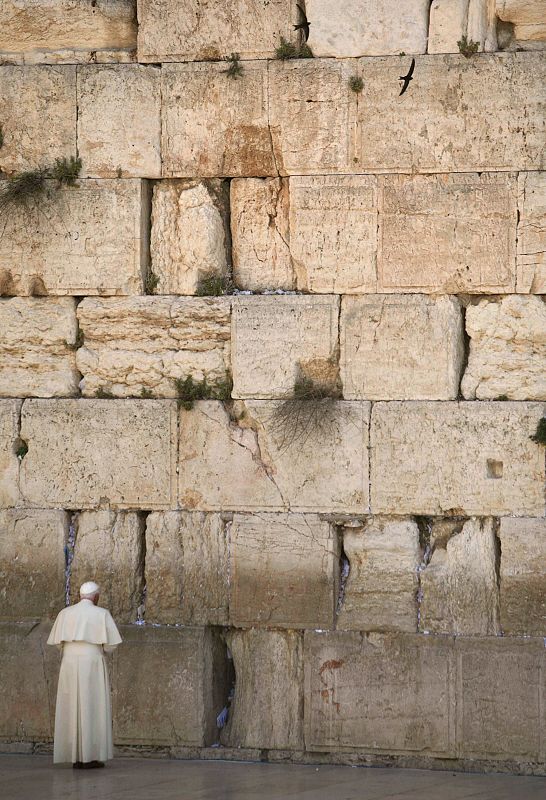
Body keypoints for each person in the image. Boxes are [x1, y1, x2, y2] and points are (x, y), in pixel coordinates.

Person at [47, 581, 122, 768]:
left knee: (71, 707)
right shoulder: (101, 613)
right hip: (92, 662)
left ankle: (76, 757)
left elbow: (58, 643)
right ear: (96, 596)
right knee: (93, 706)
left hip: (69, 663)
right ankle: (90, 756)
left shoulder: (65, 613)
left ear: (79, 596)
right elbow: (111, 645)